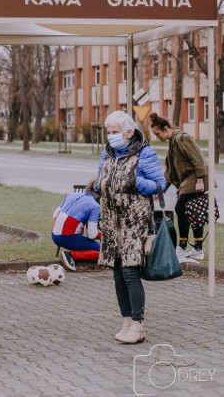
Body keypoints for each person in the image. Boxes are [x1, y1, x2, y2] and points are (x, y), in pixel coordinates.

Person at [96, 110, 165, 345]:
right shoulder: (107, 154)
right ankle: (125, 320)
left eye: (114, 132)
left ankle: (138, 323)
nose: (110, 136)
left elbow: (159, 185)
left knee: (130, 272)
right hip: (112, 222)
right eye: (108, 132)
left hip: (135, 223)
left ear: (128, 132)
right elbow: (99, 180)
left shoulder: (145, 153)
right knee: (117, 273)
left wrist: (135, 181)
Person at [149, 112, 210, 262]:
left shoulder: (183, 138)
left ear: (165, 129)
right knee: (194, 212)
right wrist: (160, 190)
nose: (158, 138)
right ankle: (196, 249)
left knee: (181, 208)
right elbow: (169, 173)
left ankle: (183, 248)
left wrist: (200, 180)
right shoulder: (173, 143)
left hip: (196, 179)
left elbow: (199, 160)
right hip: (190, 181)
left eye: (158, 134)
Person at [52, 179, 101, 271]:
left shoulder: (72, 195)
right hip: (67, 238)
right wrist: (105, 235)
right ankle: (70, 255)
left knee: (83, 240)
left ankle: (72, 251)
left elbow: (54, 216)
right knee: (104, 252)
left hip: (54, 235)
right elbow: (92, 235)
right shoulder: (95, 206)